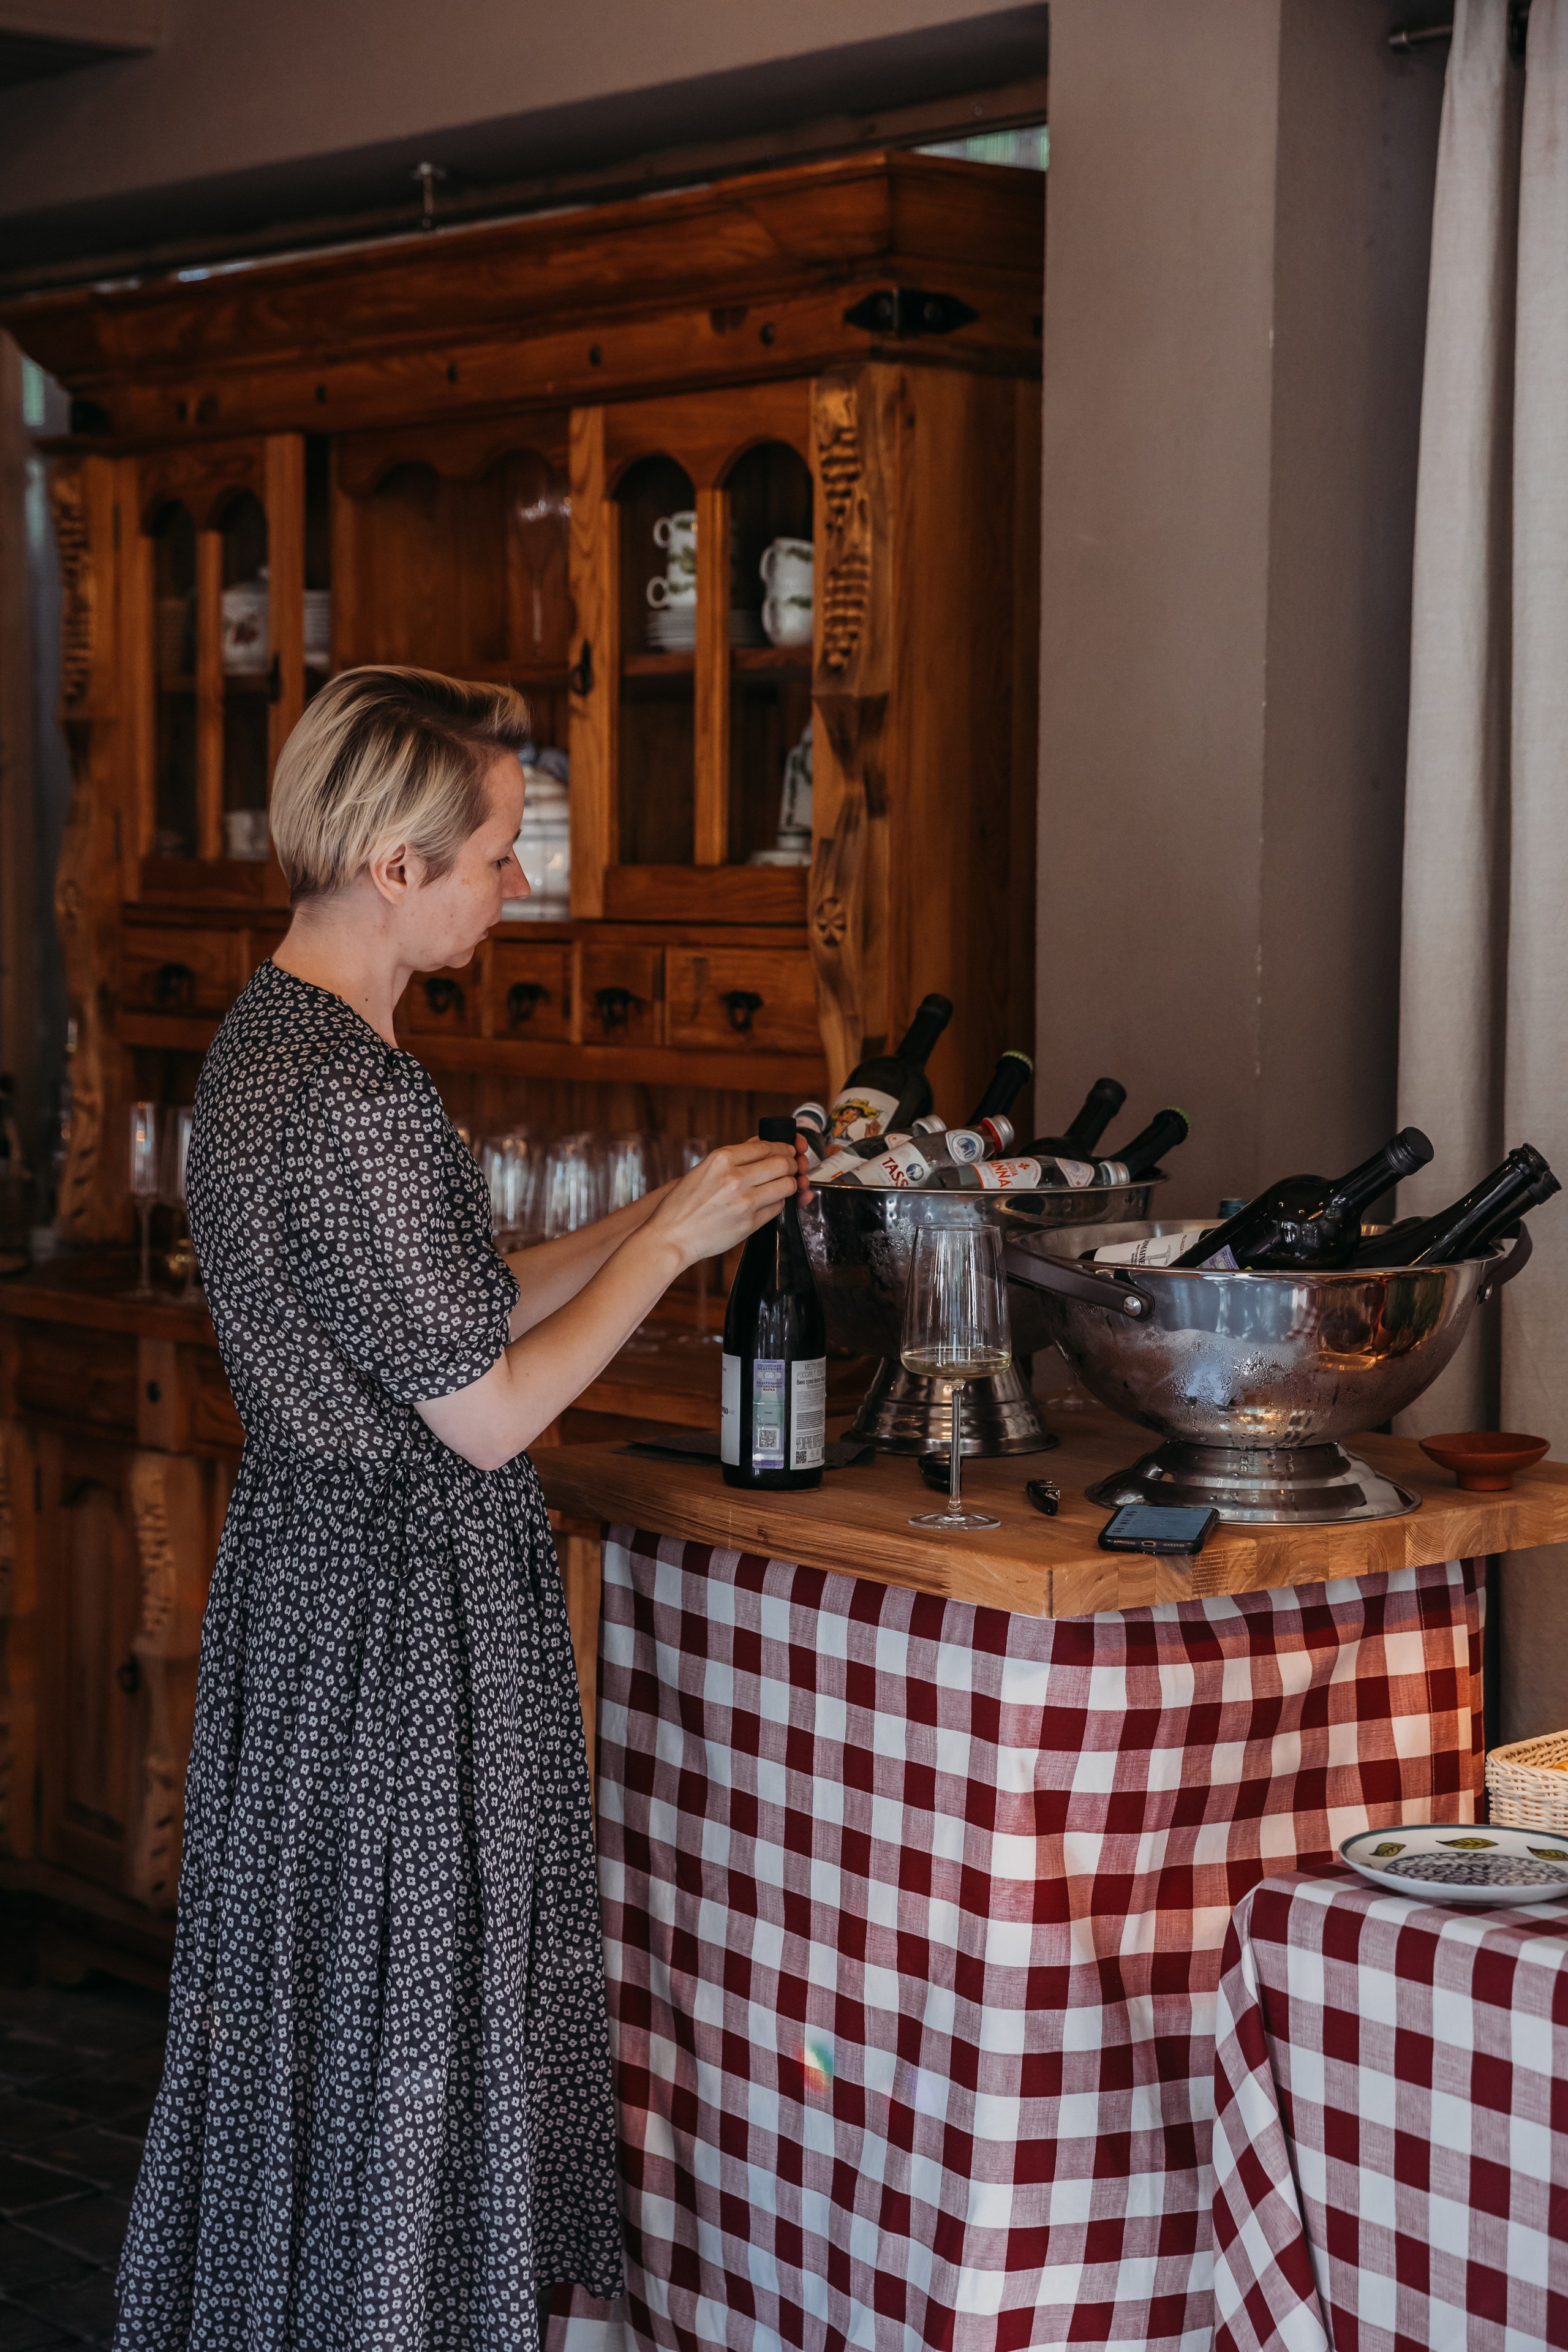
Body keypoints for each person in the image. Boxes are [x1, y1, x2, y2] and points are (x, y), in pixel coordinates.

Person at [113, 668, 801, 2351]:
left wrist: (654, 1211)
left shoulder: (273, 1042)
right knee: (417, 2010)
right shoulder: (355, 1093)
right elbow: (490, 1412)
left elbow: (459, 1302)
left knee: (320, 2014)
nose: (519, 889)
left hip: (314, 1577)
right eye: (499, 856)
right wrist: (667, 1252)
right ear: (396, 867)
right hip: (400, 1611)